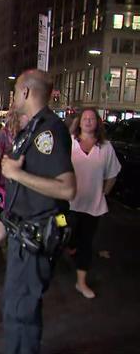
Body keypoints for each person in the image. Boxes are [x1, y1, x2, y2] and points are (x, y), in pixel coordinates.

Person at [1, 69, 76, 354]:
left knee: (22, 309)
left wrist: (17, 175)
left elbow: (68, 188)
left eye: (16, 90)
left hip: (35, 236)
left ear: (26, 93)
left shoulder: (49, 131)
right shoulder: (33, 128)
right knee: (16, 305)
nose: (14, 97)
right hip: (22, 235)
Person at [68, 107, 121, 299]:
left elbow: (113, 173)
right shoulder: (70, 143)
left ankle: (80, 282)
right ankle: (69, 246)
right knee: (64, 231)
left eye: (92, 118)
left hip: (93, 206)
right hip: (68, 204)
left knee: (86, 242)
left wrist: (104, 192)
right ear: (79, 122)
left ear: (97, 122)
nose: (88, 121)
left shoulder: (105, 147)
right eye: (85, 118)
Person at [0, 109, 30, 278]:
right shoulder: (3, 135)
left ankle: (14, 266)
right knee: (1, 232)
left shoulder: (29, 137)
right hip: (4, 190)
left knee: (17, 232)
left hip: (22, 191)